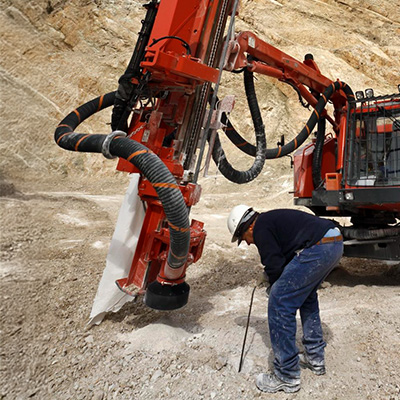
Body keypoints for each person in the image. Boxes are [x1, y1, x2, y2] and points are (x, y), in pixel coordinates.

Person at [227, 206, 343, 393]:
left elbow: (275, 264)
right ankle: (315, 357)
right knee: (307, 297)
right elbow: (285, 258)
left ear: (247, 227)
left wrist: (273, 283)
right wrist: (271, 275)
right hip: (333, 242)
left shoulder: (260, 228)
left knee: (279, 301)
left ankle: (286, 374)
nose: (247, 243)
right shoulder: (270, 221)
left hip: (320, 246)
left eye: (243, 239)